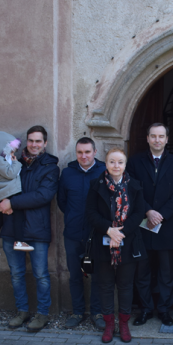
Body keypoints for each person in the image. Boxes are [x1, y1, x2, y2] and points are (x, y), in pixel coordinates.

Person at [0, 125, 60, 333]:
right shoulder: (13, 162)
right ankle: (22, 311)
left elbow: (43, 196)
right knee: (16, 273)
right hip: (11, 226)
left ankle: (42, 314)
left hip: (36, 229)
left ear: (45, 143)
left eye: (38, 141)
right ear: (26, 141)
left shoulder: (51, 167)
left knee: (41, 274)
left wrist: (12, 203)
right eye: (31, 140)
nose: (34, 145)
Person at [127, 123, 173, 327]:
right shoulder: (134, 162)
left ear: (167, 139)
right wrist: (148, 211)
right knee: (142, 272)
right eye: (153, 136)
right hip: (142, 226)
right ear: (147, 138)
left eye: (161, 136)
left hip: (167, 226)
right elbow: (132, 190)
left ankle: (164, 310)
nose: (157, 140)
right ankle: (145, 310)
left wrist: (161, 214)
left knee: (166, 273)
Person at [86, 147, 147, 343]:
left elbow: (139, 213)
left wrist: (120, 233)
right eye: (112, 161)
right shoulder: (96, 185)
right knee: (105, 285)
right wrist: (109, 230)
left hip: (127, 242)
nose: (116, 165)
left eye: (120, 162)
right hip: (103, 242)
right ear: (106, 163)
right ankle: (109, 325)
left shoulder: (135, 186)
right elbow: (91, 213)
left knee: (125, 286)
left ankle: (124, 324)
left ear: (125, 164)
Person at [57, 137, 106, 330]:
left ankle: (97, 312)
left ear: (95, 152)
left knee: (97, 275)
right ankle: (77, 312)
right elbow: (62, 201)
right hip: (73, 233)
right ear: (76, 153)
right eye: (80, 152)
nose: (83, 156)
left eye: (87, 152)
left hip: (97, 234)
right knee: (75, 275)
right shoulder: (67, 173)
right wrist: (72, 217)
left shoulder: (104, 171)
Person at [0, 131, 32, 255]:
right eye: (11, 151)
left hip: (4, 193)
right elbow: (10, 174)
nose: (12, 154)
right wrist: (17, 162)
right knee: (18, 215)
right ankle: (19, 241)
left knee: (1, 218)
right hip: (7, 193)